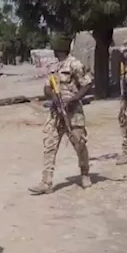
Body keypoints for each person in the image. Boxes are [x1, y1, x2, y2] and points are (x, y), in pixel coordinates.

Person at [28, 33, 93, 195]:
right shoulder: (53, 67)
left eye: (56, 48)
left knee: (80, 143)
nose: (54, 51)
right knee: (49, 144)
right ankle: (46, 182)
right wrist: (53, 98)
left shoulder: (75, 64)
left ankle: (85, 173)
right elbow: (47, 88)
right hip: (56, 113)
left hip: (73, 112)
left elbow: (86, 85)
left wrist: (73, 99)